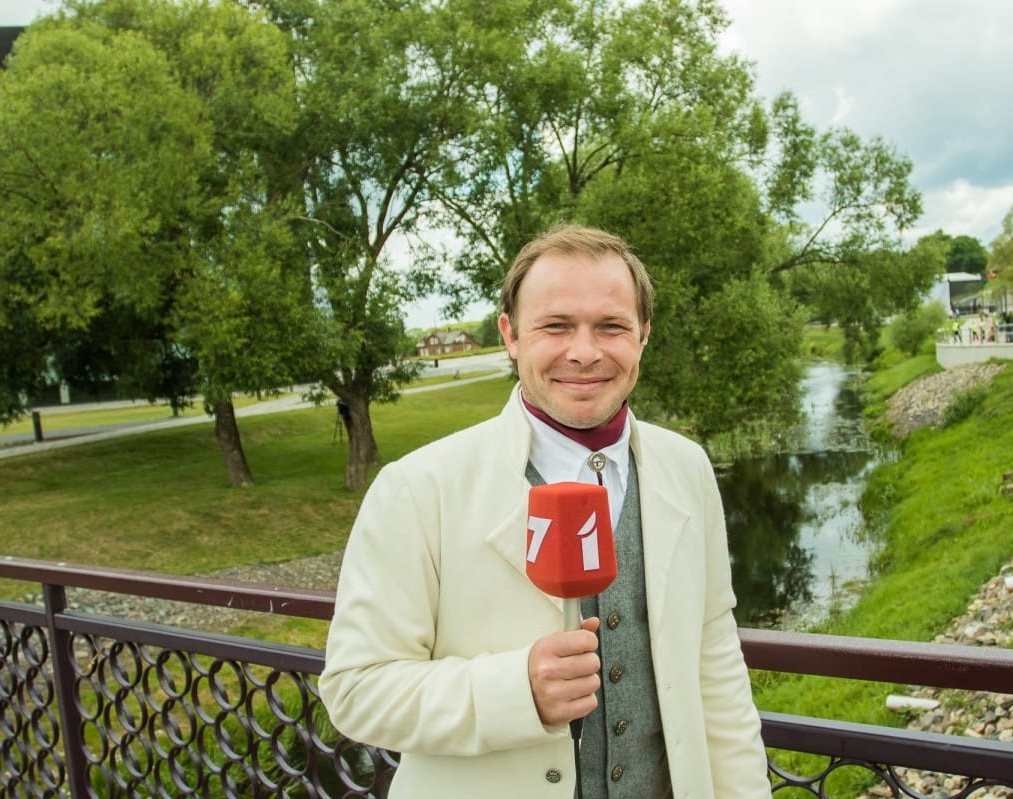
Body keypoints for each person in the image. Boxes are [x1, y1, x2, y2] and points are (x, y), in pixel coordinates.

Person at [319, 225, 770, 798]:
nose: (585, 352)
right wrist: (517, 691)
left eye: (611, 326)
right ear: (510, 335)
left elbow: (717, 668)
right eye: (556, 326)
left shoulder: (688, 467)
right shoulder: (416, 489)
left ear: (644, 334)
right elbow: (356, 692)